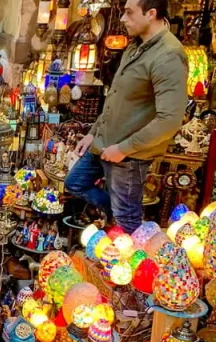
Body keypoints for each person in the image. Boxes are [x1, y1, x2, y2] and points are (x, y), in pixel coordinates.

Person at [66, 0, 186, 234]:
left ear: (151, 14)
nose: (122, 19)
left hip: (127, 156)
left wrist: (123, 149)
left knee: (127, 222)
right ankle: (114, 218)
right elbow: (116, 98)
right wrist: (93, 133)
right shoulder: (136, 45)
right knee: (75, 182)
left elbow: (169, 120)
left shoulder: (169, 55)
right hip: (103, 143)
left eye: (129, 13)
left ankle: (125, 260)